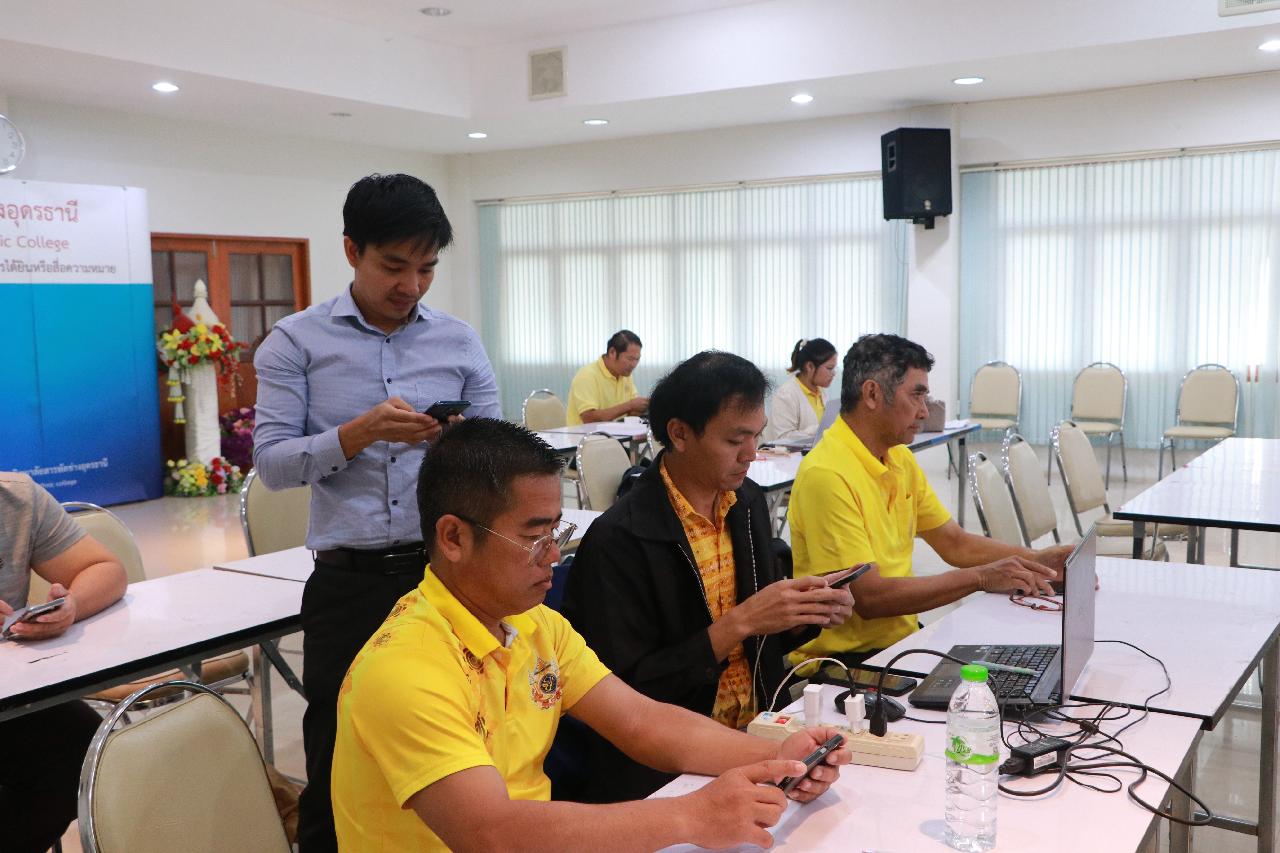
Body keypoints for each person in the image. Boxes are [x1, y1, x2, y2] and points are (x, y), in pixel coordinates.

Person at [331, 418, 851, 852]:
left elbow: (642, 722)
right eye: (534, 537)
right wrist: (690, 816)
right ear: (453, 537)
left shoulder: (534, 624)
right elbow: (490, 832)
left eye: (556, 532)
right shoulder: (406, 668)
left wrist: (776, 756)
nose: (553, 556)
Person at [252, 173, 501, 853]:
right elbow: (271, 463)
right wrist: (357, 433)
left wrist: (460, 445)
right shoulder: (295, 342)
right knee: (338, 751)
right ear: (351, 250)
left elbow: (498, 453)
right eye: (393, 266)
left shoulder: (458, 341)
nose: (411, 285)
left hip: (448, 579)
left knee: (461, 738)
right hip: (351, 582)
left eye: (426, 268)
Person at [562, 350, 855, 801]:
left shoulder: (746, 503)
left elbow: (760, 647)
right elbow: (628, 694)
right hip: (668, 768)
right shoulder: (621, 538)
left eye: (756, 436)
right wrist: (741, 622)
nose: (751, 454)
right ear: (679, 433)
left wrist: (804, 614)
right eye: (735, 440)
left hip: (758, 735)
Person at [786, 334, 1072, 666]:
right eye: (916, 396)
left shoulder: (897, 457)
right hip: (844, 662)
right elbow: (870, 598)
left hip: (898, 642)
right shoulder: (827, 473)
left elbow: (954, 543)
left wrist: (1036, 561)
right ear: (872, 394)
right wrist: (981, 577)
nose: (924, 411)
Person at [0, 473, 128, 853]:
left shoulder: (16, 499)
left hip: (10, 697)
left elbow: (106, 569)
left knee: (87, 755)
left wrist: (70, 607)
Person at [566, 330, 648, 425]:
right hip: (586, 434)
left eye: (637, 359)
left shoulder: (625, 375)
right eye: (630, 359)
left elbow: (632, 412)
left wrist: (646, 405)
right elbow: (589, 418)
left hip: (616, 432)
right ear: (612, 352)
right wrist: (629, 405)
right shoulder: (587, 375)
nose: (634, 364)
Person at [765, 337, 838, 444]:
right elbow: (783, 438)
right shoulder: (786, 394)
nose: (834, 373)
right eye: (829, 368)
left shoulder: (821, 391)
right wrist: (819, 430)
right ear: (810, 366)